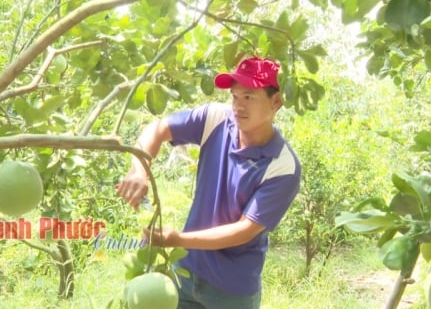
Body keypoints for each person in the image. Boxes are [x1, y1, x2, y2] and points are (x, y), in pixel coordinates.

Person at [116, 57, 302, 309]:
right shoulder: (215, 119)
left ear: (276, 101)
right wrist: (139, 170)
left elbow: (244, 230)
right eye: (235, 97)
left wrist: (177, 240)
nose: (238, 106)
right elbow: (157, 129)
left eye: (249, 97)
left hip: (231, 291)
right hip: (185, 274)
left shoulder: (283, 166)